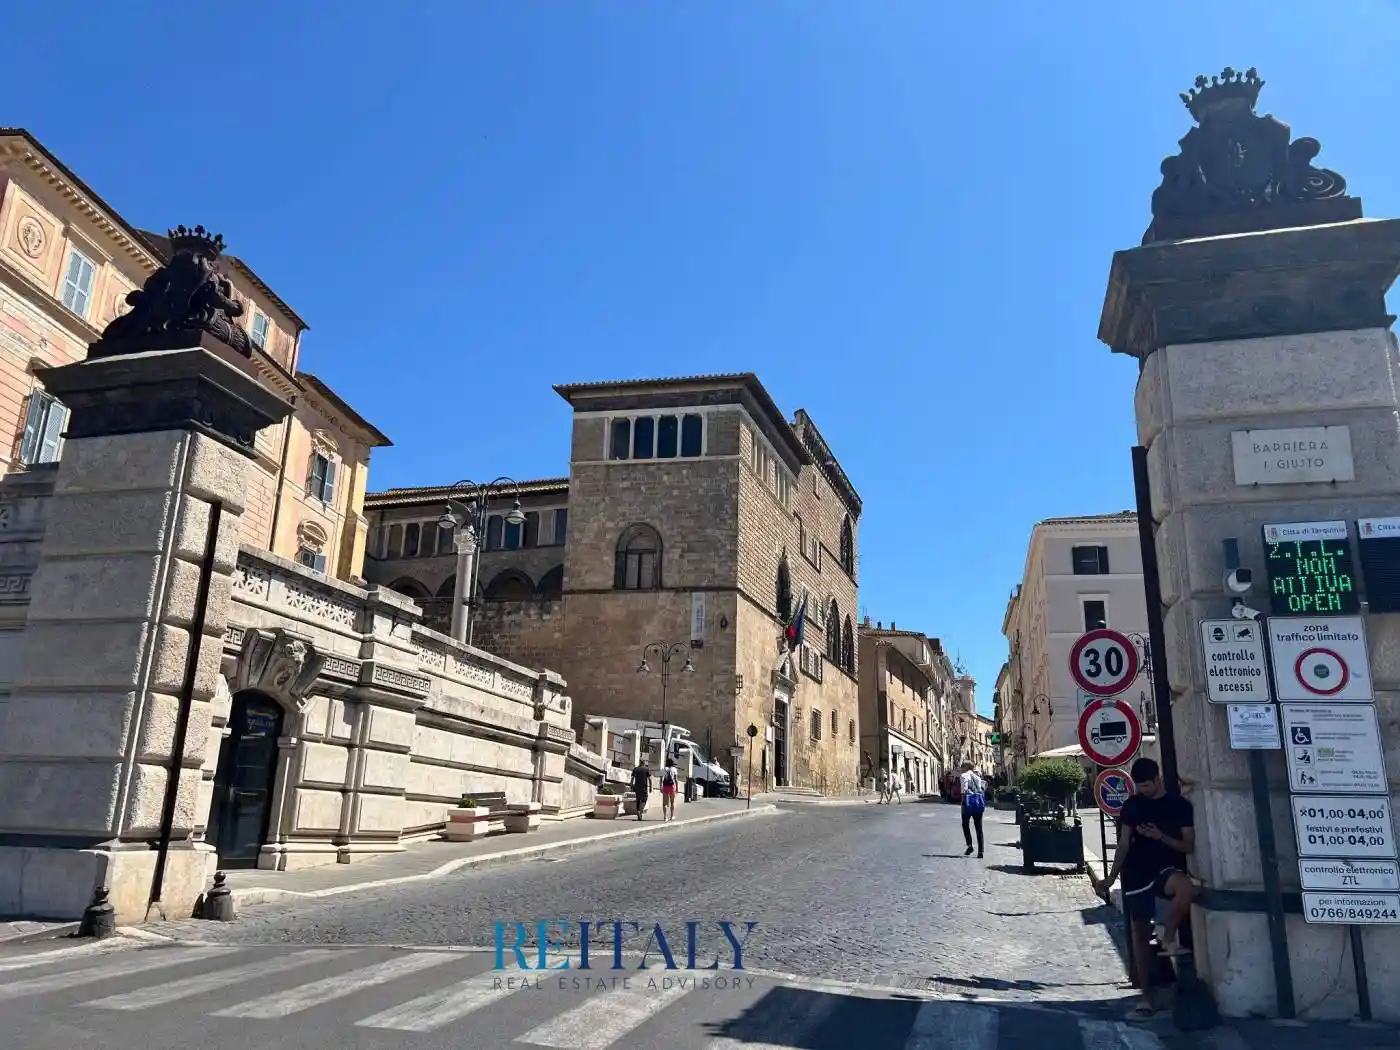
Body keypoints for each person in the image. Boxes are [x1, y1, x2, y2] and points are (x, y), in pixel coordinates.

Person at [1098, 757, 1196, 1023]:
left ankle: (1167, 934)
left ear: (1158, 779)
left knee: (1186, 889)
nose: (1144, 791)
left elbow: (1189, 846)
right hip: (1136, 875)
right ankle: (1147, 997)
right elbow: (1124, 845)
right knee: (1139, 936)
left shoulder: (1179, 805)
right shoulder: (1132, 806)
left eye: (1148, 786)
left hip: (1167, 870)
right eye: (1140, 787)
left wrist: (1160, 836)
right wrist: (1110, 878)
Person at [958, 762, 986, 857]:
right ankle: (981, 851)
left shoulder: (963, 776)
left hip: (968, 802)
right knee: (979, 827)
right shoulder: (977, 777)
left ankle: (970, 845)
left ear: (966, 767)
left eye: (962, 767)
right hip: (978, 802)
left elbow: (964, 789)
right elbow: (981, 789)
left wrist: (962, 802)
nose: (961, 769)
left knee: (965, 825)